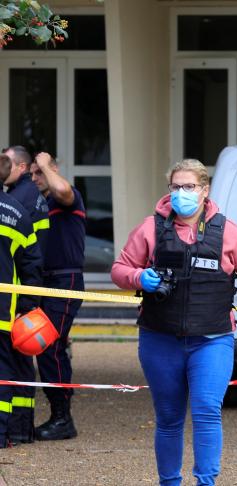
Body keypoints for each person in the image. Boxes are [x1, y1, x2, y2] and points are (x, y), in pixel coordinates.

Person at [111, 158, 237, 486]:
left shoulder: (227, 231)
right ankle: (170, 482)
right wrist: (138, 277)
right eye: (175, 187)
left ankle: (206, 481)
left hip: (213, 339)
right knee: (169, 418)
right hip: (160, 338)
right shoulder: (150, 228)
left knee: (206, 411)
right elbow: (119, 269)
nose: (181, 193)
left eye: (188, 187)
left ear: (204, 190)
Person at [26, 152, 85, 441]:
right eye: (33, 173)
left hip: (65, 279)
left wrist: (46, 164)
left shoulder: (67, 195)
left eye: (41, 173)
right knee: (47, 347)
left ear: (53, 170)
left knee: (50, 346)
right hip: (45, 281)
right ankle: (58, 415)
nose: (36, 178)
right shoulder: (42, 204)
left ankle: (63, 418)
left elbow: (61, 189)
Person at [1, 146, 47, 446]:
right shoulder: (16, 213)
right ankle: (3, 433)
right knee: (3, 375)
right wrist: (27, 308)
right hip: (5, 313)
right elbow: (32, 267)